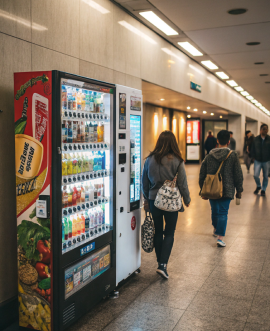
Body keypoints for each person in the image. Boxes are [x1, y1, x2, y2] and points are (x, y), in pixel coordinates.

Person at [142, 131, 191, 279]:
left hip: (153, 201)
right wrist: (187, 199)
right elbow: (182, 183)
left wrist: (146, 198)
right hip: (171, 202)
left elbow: (144, 182)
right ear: (173, 143)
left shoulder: (149, 160)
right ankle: (163, 264)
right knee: (169, 232)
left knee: (158, 231)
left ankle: (159, 263)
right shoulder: (177, 160)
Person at [199, 130, 243, 247]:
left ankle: (215, 228)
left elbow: (202, 173)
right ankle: (220, 237)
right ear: (228, 142)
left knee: (215, 210)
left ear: (217, 141)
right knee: (223, 212)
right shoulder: (233, 155)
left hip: (212, 189)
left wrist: (202, 188)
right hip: (227, 189)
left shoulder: (209, 156)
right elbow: (238, 173)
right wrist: (239, 190)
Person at [251, 124, 270, 196]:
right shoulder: (256, 139)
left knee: (265, 176)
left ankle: (263, 189)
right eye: (264, 129)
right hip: (257, 160)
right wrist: (253, 157)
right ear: (261, 130)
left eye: (267, 129)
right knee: (256, 175)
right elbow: (252, 148)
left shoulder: (269, 139)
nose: (266, 130)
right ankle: (258, 186)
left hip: (267, 160)